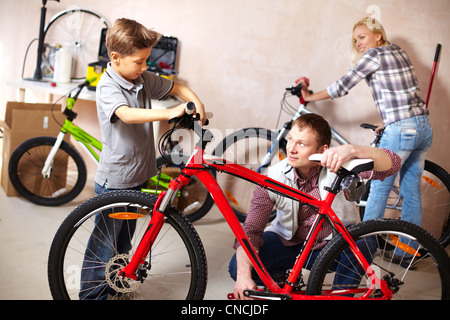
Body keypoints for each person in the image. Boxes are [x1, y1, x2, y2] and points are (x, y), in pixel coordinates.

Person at [79, 18, 206, 300]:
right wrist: (168, 112)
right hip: (116, 182)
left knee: (124, 242)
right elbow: (126, 114)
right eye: (139, 61)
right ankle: (91, 296)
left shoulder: (140, 77)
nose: (145, 67)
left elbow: (178, 87)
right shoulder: (108, 86)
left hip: (139, 177)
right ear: (116, 58)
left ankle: (115, 284)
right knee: (105, 245)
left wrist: (196, 102)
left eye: (146, 60)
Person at [229, 113, 401, 300]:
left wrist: (350, 150)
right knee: (238, 268)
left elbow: (393, 164)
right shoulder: (273, 176)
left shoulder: (340, 165)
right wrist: (244, 277)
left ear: (322, 149)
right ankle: (285, 284)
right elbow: (251, 230)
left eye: (301, 144)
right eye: (291, 140)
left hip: (330, 246)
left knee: (365, 242)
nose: (291, 149)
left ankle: (341, 297)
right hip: (289, 242)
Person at [297, 17, 432, 239]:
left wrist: (310, 96)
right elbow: (406, 93)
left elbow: (342, 87)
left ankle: (364, 251)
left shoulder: (374, 54)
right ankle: (409, 253)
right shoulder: (398, 51)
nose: (358, 43)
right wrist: (388, 122)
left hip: (402, 130)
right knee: (411, 191)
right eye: (355, 40)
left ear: (377, 35)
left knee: (379, 187)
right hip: (422, 127)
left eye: (362, 37)